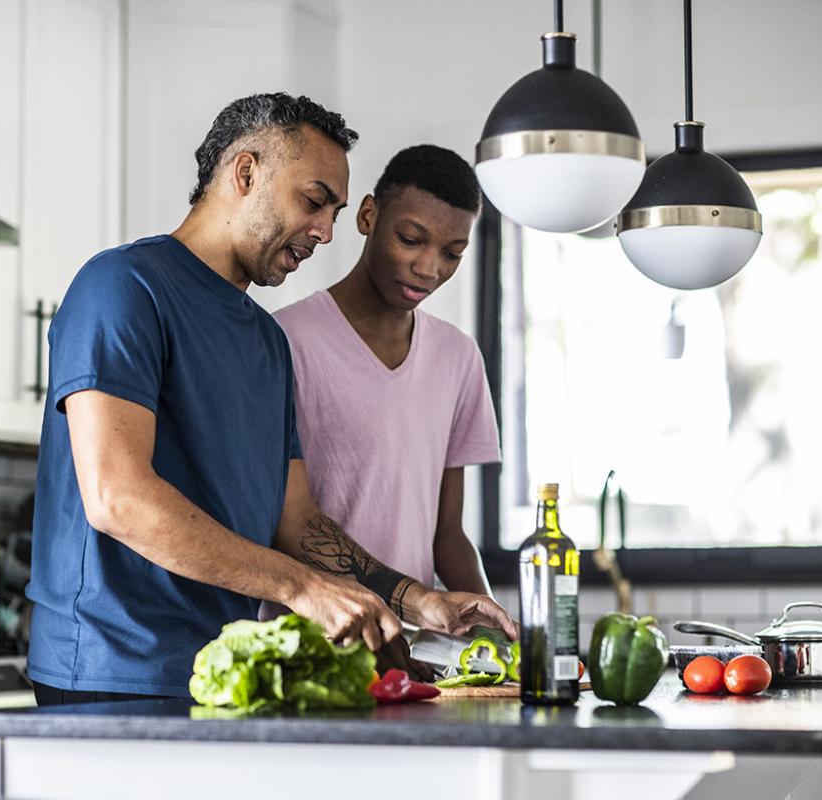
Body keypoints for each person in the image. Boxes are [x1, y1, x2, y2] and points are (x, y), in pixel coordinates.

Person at [25, 94, 514, 706]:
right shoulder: (123, 287)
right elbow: (117, 498)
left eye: (334, 211)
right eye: (313, 201)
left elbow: (298, 520)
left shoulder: (265, 340)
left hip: (229, 674)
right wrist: (304, 590)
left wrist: (416, 599)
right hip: (108, 675)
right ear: (246, 173)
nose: (325, 231)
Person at [273, 144, 500, 601]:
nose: (429, 268)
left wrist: (498, 633)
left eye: (452, 253)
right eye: (412, 239)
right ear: (368, 217)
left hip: (416, 647)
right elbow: (283, 521)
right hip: (310, 645)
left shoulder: (458, 357)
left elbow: (447, 536)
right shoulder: (283, 340)